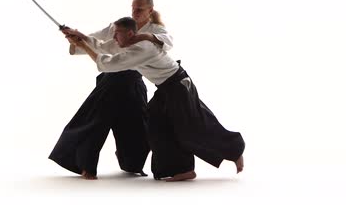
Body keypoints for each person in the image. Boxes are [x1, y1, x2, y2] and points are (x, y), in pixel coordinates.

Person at [68, 17, 245, 181]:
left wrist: (84, 45)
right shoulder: (125, 42)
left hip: (179, 86)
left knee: (193, 126)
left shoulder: (143, 48)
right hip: (165, 89)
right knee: (156, 124)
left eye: (117, 33)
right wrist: (81, 38)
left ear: (130, 34)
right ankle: (180, 169)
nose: (113, 37)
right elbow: (103, 46)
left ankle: (234, 149)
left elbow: (107, 64)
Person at [49, 0, 172, 180]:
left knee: (137, 126)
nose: (135, 12)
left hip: (133, 82)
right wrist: (77, 39)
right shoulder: (121, 26)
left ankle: (132, 163)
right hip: (111, 81)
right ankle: (86, 166)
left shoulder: (156, 30)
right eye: (133, 8)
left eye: (139, 9)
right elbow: (99, 42)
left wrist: (145, 35)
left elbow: (167, 42)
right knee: (95, 122)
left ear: (150, 11)